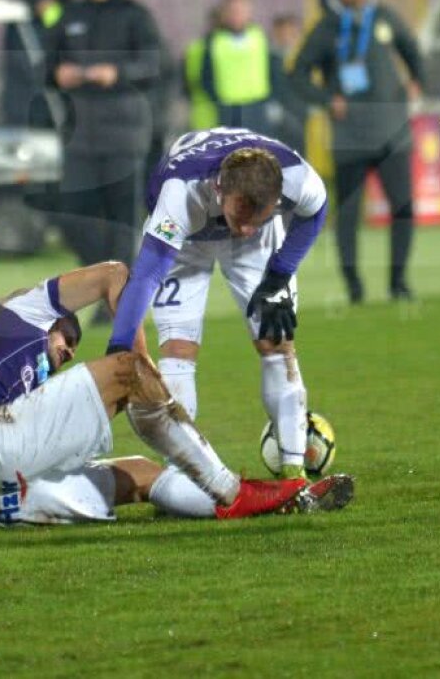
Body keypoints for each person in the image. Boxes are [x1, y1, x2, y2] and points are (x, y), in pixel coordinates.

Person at [0, 260, 353, 526]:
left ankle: (283, 503)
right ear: (48, 319)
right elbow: (115, 275)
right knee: (127, 369)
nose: (66, 353)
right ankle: (232, 491)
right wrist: (138, 365)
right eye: (66, 338)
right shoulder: (19, 313)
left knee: (141, 473)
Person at [107, 127, 328, 485]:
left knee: (276, 340)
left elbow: (316, 211)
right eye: (241, 217)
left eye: (257, 217)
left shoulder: (295, 177)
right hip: (186, 243)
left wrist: (280, 273)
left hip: (257, 249)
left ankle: (294, 473)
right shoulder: (179, 193)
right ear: (219, 189)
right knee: (177, 348)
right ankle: (182, 475)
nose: (243, 228)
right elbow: (146, 275)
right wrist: (118, 348)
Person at [289, 0, 424, 303]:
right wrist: (325, 99)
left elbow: (413, 52)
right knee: (348, 214)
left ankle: (400, 283)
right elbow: (298, 74)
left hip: (392, 132)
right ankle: (354, 287)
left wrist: (415, 82)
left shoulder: (385, 18)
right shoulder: (327, 29)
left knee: (403, 208)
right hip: (350, 136)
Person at [46, 0, 164, 272]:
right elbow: (45, 67)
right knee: (71, 214)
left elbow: (155, 65)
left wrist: (118, 73)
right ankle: (104, 276)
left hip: (124, 135)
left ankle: (117, 294)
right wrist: (58, 74)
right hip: (79, 133)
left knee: (121, 220)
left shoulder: (135, 15)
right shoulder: (69, 16)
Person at [182, 0, 272, 133]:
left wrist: (272, 99)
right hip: (227, 107)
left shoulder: (259, 36)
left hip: (256, 106)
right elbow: (202, 76)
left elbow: (272, 69)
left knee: (259, 150)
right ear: (224, 14)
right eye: (233, 11)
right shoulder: (211, 42)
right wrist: (216, 99)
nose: (238, 16)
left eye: (242, 11)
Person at [1, 0, 62, 129]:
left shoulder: (49, 22)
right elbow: (20, 61)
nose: (46, 6)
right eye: (43, 2)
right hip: (22, 99)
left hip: (44, 101)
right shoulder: (19, 26)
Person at [267, 13, 308, 154]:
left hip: (300, 109)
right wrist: (270, 102)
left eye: (290, 32)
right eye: (281, 32)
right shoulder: (268, 57)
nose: (286, 36)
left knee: (300, 149)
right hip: (278, 110)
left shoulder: (304, 56)